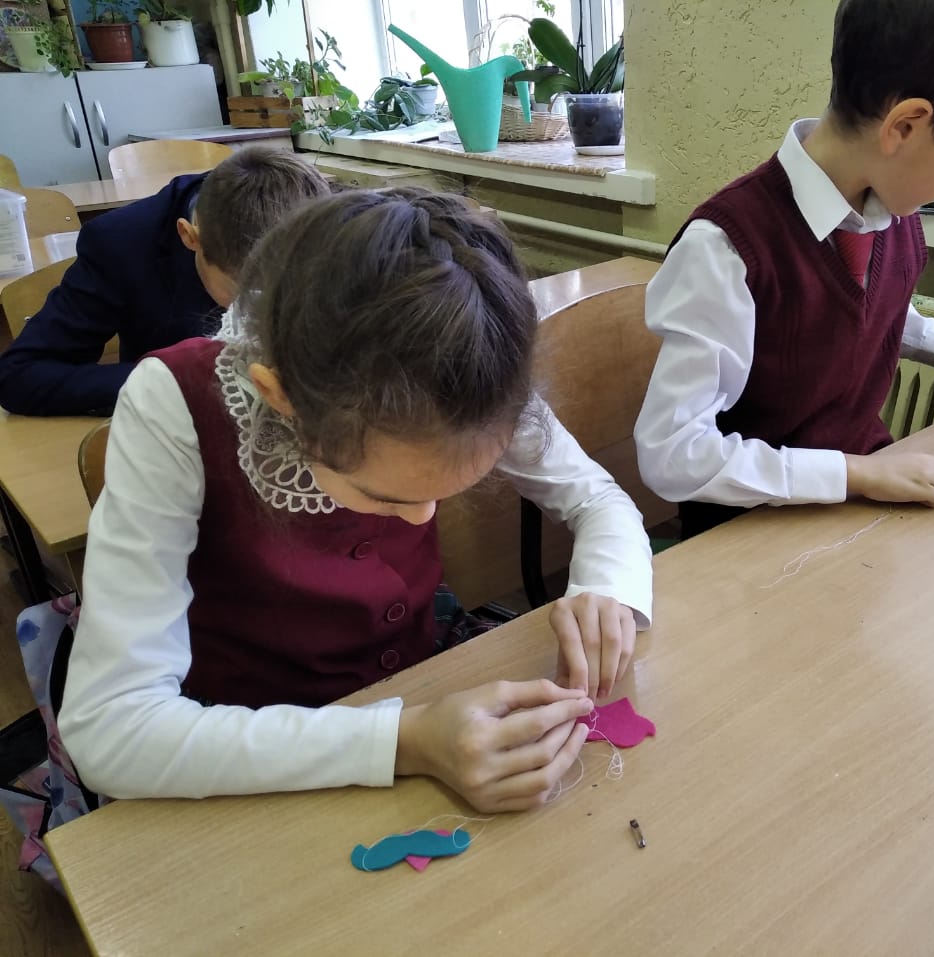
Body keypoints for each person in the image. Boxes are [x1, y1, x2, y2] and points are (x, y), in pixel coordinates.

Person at [59, 188, 653, 814]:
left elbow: (597, 500)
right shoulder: (174, 402)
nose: (423, 519)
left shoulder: (473, 363)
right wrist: (404, 740)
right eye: (384, 495)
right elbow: (111, 729)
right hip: (244, 740)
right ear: (280, 397)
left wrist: (607, 587)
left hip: (419, 678)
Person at [634, 0, 934, 540]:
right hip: (750, 534)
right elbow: (672, 454)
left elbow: (868, 314)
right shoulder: (726, 249)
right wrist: (858, 473)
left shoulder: (887, 209)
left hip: (857, 511)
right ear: (906, 126)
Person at [0, 147, 329, 417]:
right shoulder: (121, 244)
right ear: (190, 237)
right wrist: (174, 378)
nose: (267, 312)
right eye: (244, 294)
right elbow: (21, 376)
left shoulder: (333, 231)